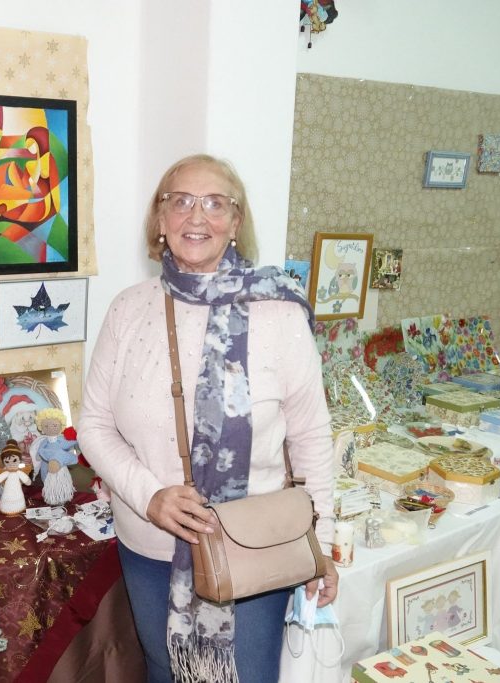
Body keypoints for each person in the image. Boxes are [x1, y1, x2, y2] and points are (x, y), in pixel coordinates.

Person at [79, 154, 338, 683]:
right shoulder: (128, 309)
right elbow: (95, 425)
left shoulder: (280, 312)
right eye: (181, 201)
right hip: (150, 547)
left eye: (216, 203)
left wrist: (323, 540)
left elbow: (312, 437)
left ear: (236, 223)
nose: (197, 216)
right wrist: (150, 496)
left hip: (255, 546)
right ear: (160, 219)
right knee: (165, 670)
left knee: (247, 675)